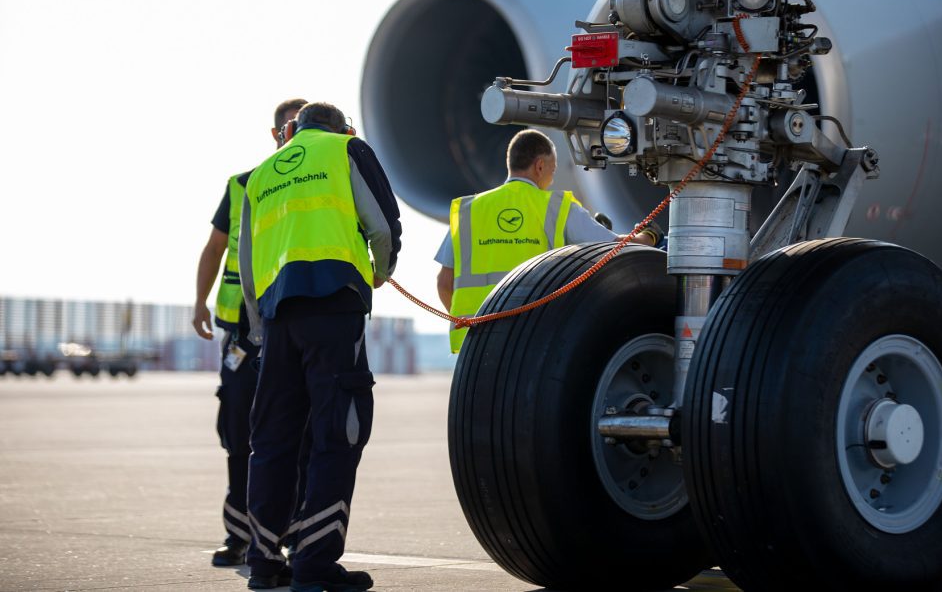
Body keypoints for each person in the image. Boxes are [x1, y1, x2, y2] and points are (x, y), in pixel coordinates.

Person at [238, 101, 401, 592]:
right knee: (338, 434)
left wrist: (259, 328)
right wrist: (380, 270)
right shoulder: (347, 149)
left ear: (292, 130)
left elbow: (247, 263)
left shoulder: (262, 174)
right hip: (333, 306)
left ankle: (264, 560)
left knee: (273, 441)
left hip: (277, 316)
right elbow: (384, 225)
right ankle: (314, 562)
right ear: (340, 127)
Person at [192, 97, 307, 567]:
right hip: (242, 332)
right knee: (238, 435)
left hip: (290, 324)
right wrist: (199, 300)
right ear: (275, 133)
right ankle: (240, 534)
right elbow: (216, 246)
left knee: (298, 434)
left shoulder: (318, 178)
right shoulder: (243, 185)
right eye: (287, 127)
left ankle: (298, 536)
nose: (294, 135)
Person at [435, 128, 660, 352]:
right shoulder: (556, 207)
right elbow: (613, 248)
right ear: (540, 166)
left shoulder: (469, 211)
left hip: (475, 344)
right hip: (533, 340)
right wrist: (648, 236)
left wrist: (471, 323)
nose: (551, 180)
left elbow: (444, 283)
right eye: (552, 171)